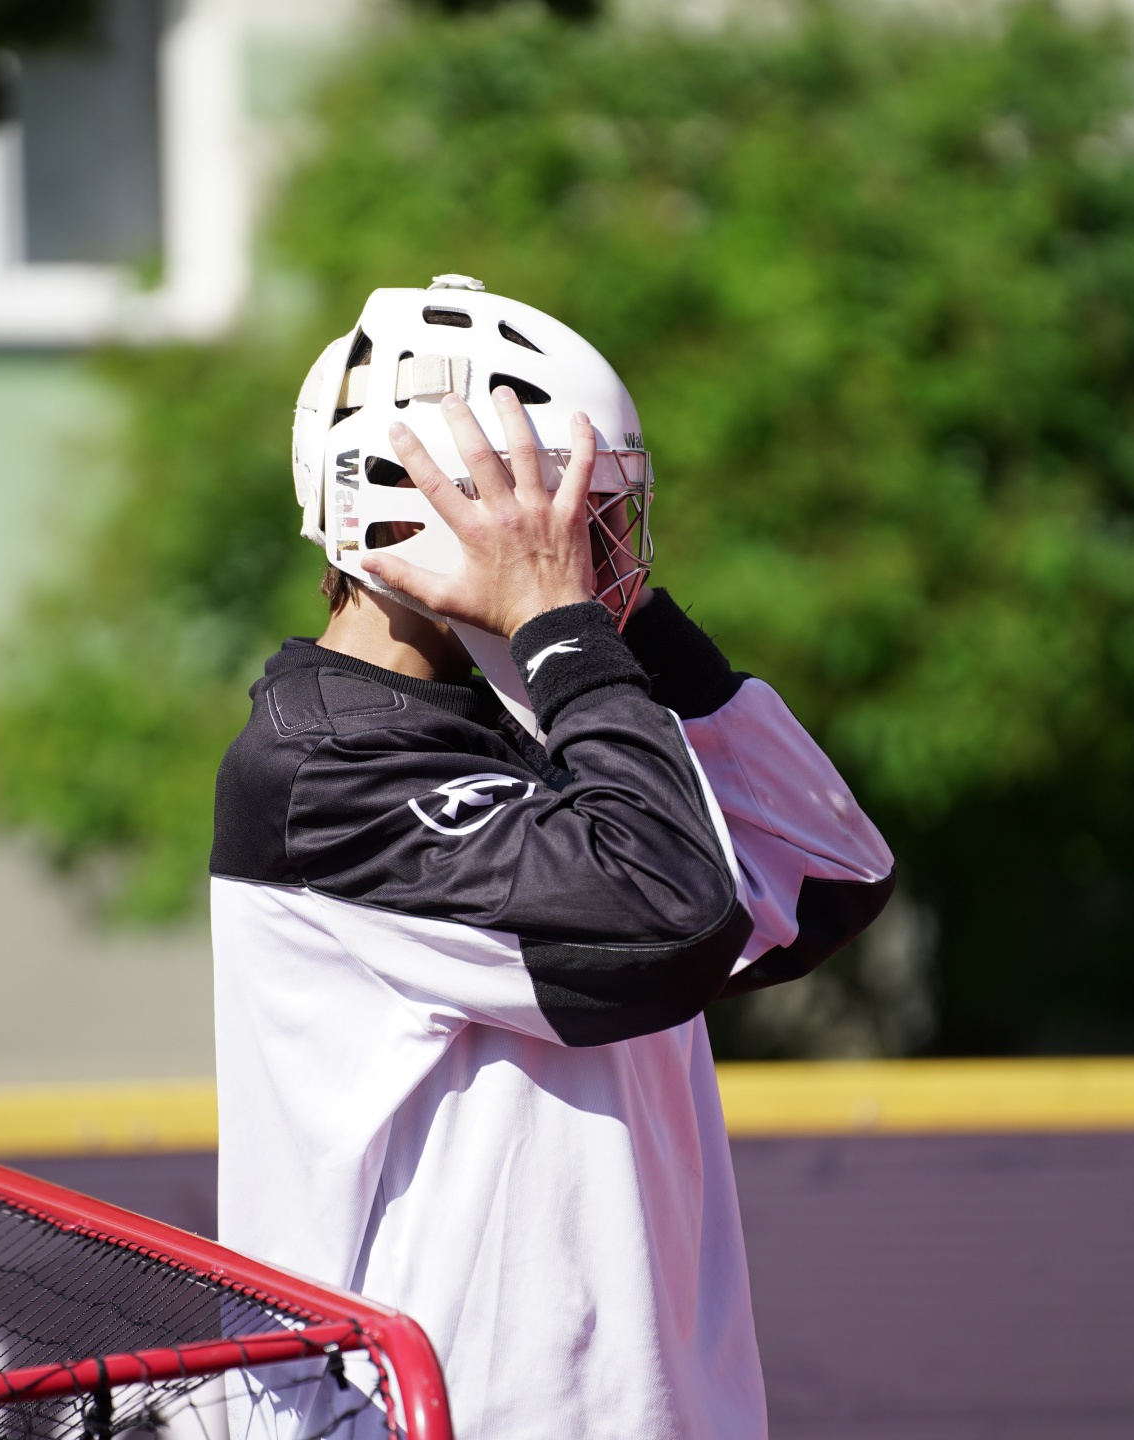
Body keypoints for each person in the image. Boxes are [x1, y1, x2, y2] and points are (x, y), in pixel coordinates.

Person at [213, 278, 895, 1438]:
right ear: (419, 511)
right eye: (572, 517)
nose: (595, 557)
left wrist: (613, 631)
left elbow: (828, 876)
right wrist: (565, 636)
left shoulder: (548, 701)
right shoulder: (322, 770)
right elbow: (666, 916)